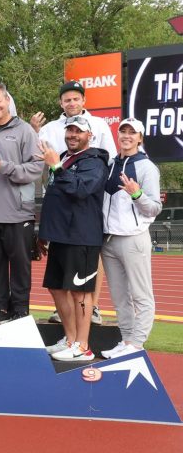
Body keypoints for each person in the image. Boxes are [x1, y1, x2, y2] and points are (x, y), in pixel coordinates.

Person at [34, 80, 116, 325]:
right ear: (61, 102)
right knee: (59, 276)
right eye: (67, 99)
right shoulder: (49, 128)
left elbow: (108, 161)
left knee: (88, 261)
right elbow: (40, 164)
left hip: (85, 201)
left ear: (84, 101)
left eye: (76, 98)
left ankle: (94, 306)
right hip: (59, 204)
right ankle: (68, 321)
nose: (71, 103)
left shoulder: (99, 125)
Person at [0, 83, 44, 326]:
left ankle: (21, 311)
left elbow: (36, 168)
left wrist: (7, 168)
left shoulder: (24, 131)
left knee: (21, 267)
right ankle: (0, 309)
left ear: (7, 101)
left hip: (17, 213)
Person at [38, 116, 109, 362]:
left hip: (82, 236)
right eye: (69, 130)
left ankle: (83, 346)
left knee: (80, 293)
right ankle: (70, 340)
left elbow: (81, 190)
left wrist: (57, 167)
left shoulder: (96, 161)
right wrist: (44, 233)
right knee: (56, 287)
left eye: (78, 131)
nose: (72, 135)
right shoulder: (65, 158)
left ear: (90, 135)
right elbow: (54, 198)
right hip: (60, 235)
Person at [100, 118, 161, 358]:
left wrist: (137, 194)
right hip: (109, 240)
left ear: (140, 138)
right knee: (118, 295)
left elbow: (154, 208)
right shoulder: (112, 163)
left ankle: (137, 343)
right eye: (122, 131)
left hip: (133, 239)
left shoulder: (147, 167)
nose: (126, 136)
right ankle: (126, 340)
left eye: (131, 133)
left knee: (141, 294)